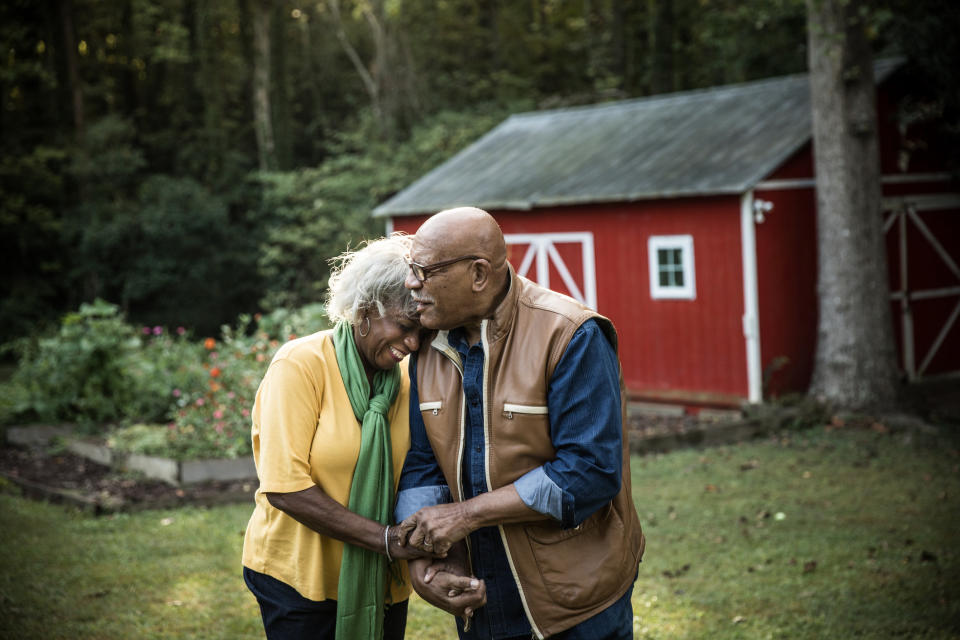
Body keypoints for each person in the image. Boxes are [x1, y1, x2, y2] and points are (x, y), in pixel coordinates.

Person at [394, 207, 645, 639]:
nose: (411, 283)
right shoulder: (427, 346)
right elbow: (423, 461)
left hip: (578, 602)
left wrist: (467, 515)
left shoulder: (571, 334)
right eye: (410, 269)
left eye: (424, 270)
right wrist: (430, 561)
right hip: (483, 598)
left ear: (478, 274)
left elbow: (589, 472)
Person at [241, 234, 481, 640]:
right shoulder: (301, 365)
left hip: (383, 580)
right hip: (299, 578)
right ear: (366, 309)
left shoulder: (410, 380)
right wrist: (385, 541)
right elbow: (285, 488)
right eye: (404, 327)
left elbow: (428, 473)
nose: (412, 344)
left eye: (421, 333)